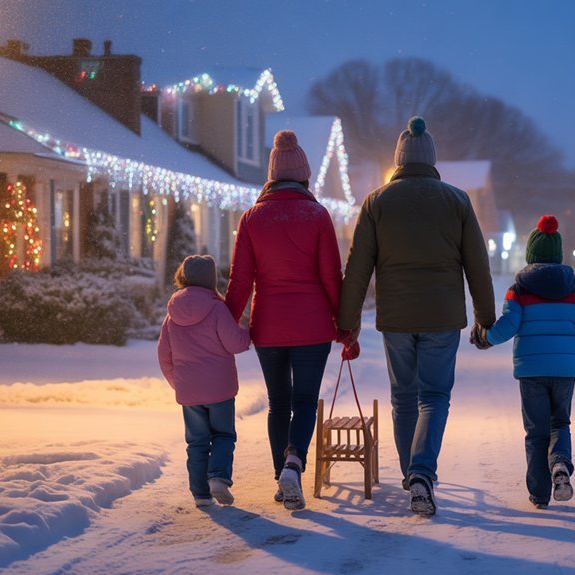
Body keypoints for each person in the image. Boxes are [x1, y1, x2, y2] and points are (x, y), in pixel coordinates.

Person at [338, 116, 496, 516]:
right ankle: (423, 474)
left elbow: (358, 265)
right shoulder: (457, 201)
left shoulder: (376, 202)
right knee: (435, 396)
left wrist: (348, 319)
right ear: (431, 158)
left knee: (403, 398)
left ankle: (413, 476)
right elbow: (477, 263)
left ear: (399, 159)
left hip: (397, 318)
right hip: (443, 316)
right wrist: (485, 316)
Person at [225, 130, 346, 511]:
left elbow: (240, 278)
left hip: (270, 326)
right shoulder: (317, 215)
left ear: (272, 176)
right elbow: (332, 275)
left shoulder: (251, 219)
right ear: (305, 177)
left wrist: (226, 322)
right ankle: (294, 464)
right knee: (306, 400)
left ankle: (283, 474)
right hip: (312, 327)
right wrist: (344, 323)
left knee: (279, 403)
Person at [470, 215, 575, 509]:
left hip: (531, 371)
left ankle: (539, 494)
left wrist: (486, 336)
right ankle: (561, 464)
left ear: (531, 254)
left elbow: (509, 325)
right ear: (558, 253)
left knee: (536, 431)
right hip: (565, 371)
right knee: (560, 423)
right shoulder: (574, 291)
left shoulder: (520, 289)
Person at [158, 254, 251, 508]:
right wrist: (249, 332)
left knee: (196, 442)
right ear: (212, 281)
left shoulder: (172, 314)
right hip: (220, 390)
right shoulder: (217, 308)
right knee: (223, 435)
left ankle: (200, 494)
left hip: (189, 392)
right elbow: (235, 343)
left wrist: (179, 383)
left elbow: (164, 355)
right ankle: (218, 478)